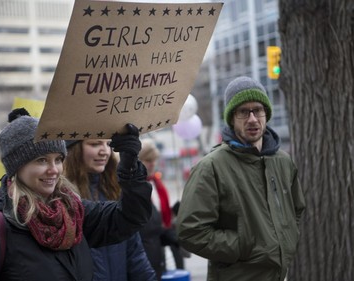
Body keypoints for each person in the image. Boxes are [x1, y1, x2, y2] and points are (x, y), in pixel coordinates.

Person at [0, 108, 152, 281]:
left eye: (58, 159)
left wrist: (130, 169)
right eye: (42, 160)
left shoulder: (73, 212)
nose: (54, 170)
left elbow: (130, 217)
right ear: (17, 166)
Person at [176, 76, 306, 281]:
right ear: (231, 118)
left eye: (258, 110)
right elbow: (190, 232)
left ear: (266, 113)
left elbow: (296, 209)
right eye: (243, 112)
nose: (253, 119)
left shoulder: (283, 161)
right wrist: (245, 245)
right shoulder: (211, 167)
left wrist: (286, 238)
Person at [64, 138, 156, 281]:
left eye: (108, 144)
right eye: (95, 144)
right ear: (73, 149)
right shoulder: (63, 199)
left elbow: (135, 253)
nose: (104, 151)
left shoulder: (116, 191)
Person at [138, 138, 181, 280]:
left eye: (154, 160)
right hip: (145, 250)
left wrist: (173, 211)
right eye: (147, 160)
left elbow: (160, 213)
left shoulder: (156, 183)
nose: (152, 164)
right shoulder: (136, 187)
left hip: (159, 243)